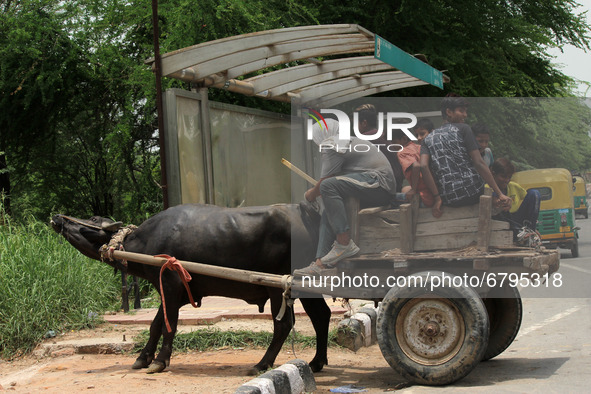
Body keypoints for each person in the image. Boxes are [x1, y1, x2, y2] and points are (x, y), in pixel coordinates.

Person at [294, 118, 397, 275]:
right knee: (331, 207)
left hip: (378, 184)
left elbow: (326, 181)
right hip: (375, 186)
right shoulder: (344, 141)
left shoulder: (332, 144)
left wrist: (310, 195)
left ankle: (344, 243)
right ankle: (320, 263)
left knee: (327, 187)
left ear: (318, 136)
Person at [420, 94, 511, 218]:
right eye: (461, 111)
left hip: (448, 198)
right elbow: (479, 163)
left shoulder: (427, 139)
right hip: (472, 192)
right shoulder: (463, 129)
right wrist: (499, 193)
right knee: (500, 202)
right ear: (449, 112)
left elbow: (423, 166)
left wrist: (437, 198)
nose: (465, 115)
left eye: (465, 111)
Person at [354, 104, 404, 192]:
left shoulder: (366, 138)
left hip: (386, 185)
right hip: (395, 182)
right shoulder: (379, 134)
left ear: (364, 123)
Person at [489, 158, 541, 236]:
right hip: (502, 223)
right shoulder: (488, 189)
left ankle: (529, 232)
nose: (506, 180)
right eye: (503, 176)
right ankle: (520, 234)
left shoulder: (513, 186)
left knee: (535, 194)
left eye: (509, 177)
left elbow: (530, 201)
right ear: (493, 174)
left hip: (516, 220)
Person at [390, 129, 435, 207]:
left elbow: (416, 166)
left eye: (394, 142)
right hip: (432, 196)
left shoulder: (402, 152)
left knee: (387, 199)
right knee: (405, 189)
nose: (392, 146)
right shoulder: (420, 147)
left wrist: (413, 189)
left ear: (404, 139)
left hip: (423, 198)